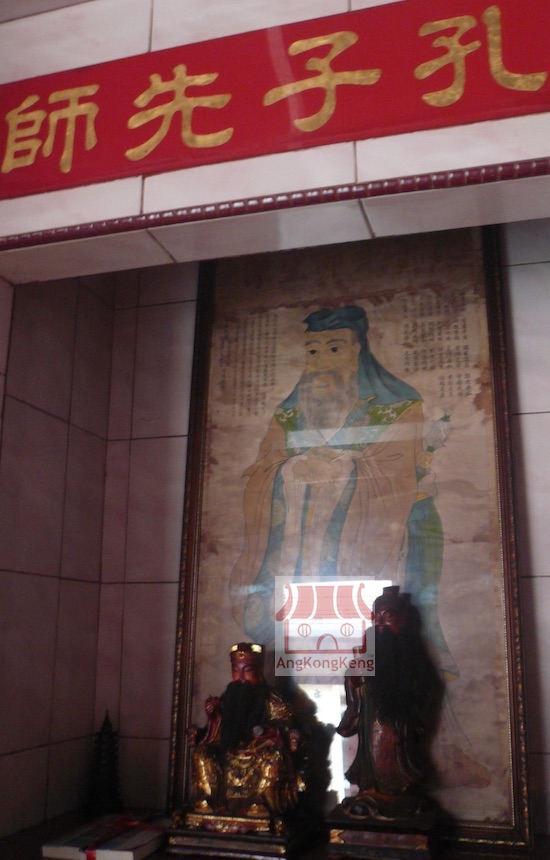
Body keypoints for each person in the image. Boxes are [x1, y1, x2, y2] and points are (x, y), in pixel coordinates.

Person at [230, 305, 424, 643]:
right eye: (313, 351)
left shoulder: (398, 407)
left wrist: (342, 467)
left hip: (359, 538)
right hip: (295, 539)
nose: (321, 362)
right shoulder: (288, 415)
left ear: (358, 350)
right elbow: (263, 472)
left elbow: (396, 477)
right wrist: (292, 469)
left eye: (334, 349)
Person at [336, 586, 443, 820]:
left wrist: (405, 692)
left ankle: (399, 794)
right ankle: (370, 790)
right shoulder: (365, 658)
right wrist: (355, 681)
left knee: (394, 754)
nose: (381, 623)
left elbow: (426, 689)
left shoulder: (411, 658)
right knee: (371, 755)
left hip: (397, 727)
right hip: (369, 724)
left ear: (403, 620)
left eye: (389, 616)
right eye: (376, 617)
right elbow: (354, 694)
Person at [188, 642, 303, 824]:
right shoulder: (228, 697)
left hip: (259, 749)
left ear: (259, 670)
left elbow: (287, 726)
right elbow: (217, 731)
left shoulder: (271, 699)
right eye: (236, 670)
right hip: (229, 748)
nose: (241, 677)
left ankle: (261, 802)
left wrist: (268, 731)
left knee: (274, 757)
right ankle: (209, 799)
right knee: (202, 754)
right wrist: (214, 716)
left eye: (247, 670)